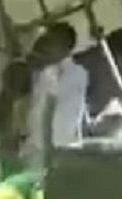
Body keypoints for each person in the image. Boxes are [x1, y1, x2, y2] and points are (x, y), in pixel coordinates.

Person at [22, 23, 89, 168]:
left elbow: (49, 111)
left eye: (50, 41)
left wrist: (47, 151)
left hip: (51, 149)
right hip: (43, 146)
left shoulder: (65, 72)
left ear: (64, 46)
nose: (45, 46)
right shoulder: (47, 71)